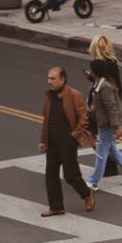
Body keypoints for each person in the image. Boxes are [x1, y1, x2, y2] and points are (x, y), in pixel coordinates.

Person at [38, 67, 96, 217]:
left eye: (53, 78)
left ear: (62, 80)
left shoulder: (74, 95)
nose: (49, 81)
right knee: (50, 175)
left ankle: (86, 193)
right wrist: (43, 140)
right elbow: (47, 121)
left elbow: (84, 118)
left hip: (67, 141)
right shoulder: (48, 96)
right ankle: (56, 207)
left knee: (71, 175)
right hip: (52, 142)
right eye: (48, 78)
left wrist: (73, 136)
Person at [86, 59, 122, 191]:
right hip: (104, 123)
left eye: (91, 69)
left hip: (107, 125)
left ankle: (93, 181)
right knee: (112, 150)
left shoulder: (105, 87)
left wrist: (117, 127)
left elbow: (112, 108)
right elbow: (104, 105)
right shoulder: (100, 84)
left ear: (96, 71)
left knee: (101, 154)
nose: (90, 71)